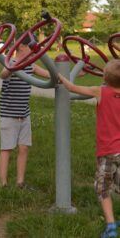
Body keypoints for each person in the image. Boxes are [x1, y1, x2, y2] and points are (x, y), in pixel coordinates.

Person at [59, 59, 120, 238]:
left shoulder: (100, 91)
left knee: (103, 189)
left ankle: (110, 226)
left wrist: (59, 75)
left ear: (105, 78)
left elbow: (71, 88)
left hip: (108, 152)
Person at [0, 36, 50, 189]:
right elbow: (3, 74)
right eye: (31, 47)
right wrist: (14, 64)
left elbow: (50, 75)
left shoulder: (31, 66)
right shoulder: (11, 63)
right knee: (7, 148)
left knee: (24, 148)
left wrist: (72, 74)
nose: (34, 51)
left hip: (24, 114)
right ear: (21, 46)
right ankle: (3, 184)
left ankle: (20, 182)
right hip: (9, 114)